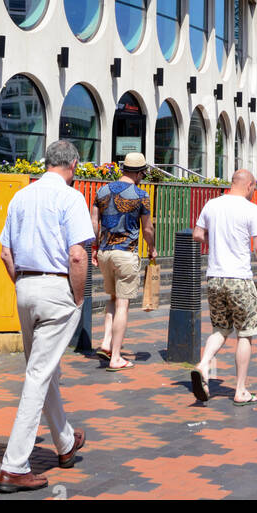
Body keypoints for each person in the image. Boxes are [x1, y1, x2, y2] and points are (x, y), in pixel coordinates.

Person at [0, 139, 94, 493]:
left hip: (25, 284)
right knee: (38, 374)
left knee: (43, 367)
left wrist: (23, 285)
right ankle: (14, 464)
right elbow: (78, 255)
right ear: (72, 164)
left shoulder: (22, 195)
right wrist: (78, 296)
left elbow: (6, 252)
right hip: (56, 287)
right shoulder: (71, 197)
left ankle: (65, 442)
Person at [190, 169, 257, 405]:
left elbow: (197, 234)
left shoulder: (212, 204)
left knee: (220, 328)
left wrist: (216, 241)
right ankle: (240, 390)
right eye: (254, 188)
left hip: (215, 277)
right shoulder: (251, 209)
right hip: (239, 279)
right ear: (248, 185)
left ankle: (204, 363)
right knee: (245, 333)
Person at [91, 152, 157, 370]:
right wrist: (152, 248)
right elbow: (147, 228)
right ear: (139, 173)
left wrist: (94, 247)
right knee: (123, 303)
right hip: (125, 253)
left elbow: (94, 223)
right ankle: (116, 357)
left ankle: (106, 343)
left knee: (111, 298)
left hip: (104, 253)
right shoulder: (140, 195)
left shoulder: (101, 191)